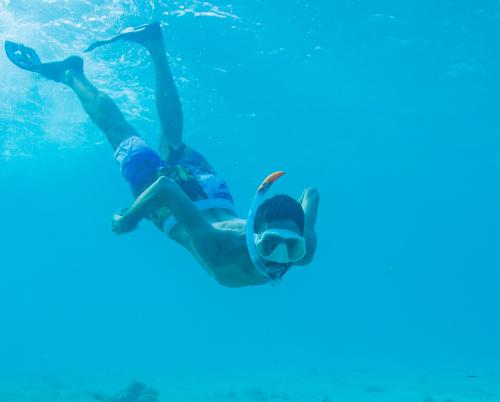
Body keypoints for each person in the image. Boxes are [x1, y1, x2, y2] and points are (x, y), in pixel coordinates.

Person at [5, 23, 319, 287]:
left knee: (172, 140)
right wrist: (128, 218)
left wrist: (302, 223)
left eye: (291, 248)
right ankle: (71, 74)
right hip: (171, 206)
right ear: (255, 235)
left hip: (213, 194)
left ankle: (154, 43)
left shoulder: (301, 251)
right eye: (271, 244)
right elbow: (166, 190)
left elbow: (311, 194)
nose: (280, 260)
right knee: (120, 134)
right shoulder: (218, 253)